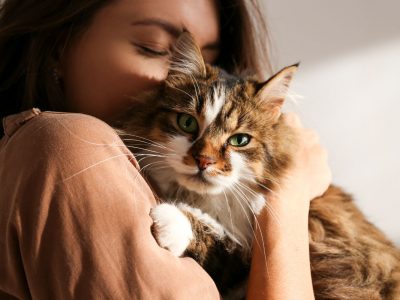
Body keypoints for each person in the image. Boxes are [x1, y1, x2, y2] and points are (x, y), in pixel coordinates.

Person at [0, 0, 331, 299]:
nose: (183, 79)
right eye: (156, 48)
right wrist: (288, 198)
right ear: (59, 44)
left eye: (210, 61)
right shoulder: (70, 144)